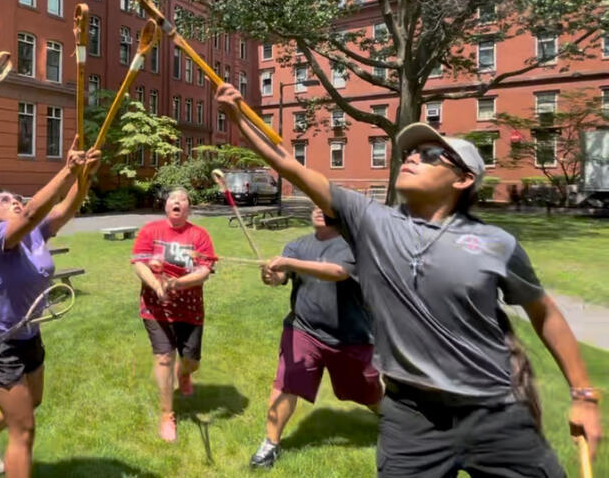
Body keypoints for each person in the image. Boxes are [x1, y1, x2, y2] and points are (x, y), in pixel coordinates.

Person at [216, 84, 601, 477]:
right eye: (410, 152)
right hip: (412, 417)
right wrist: (238, 118)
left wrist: (583, 394)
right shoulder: (373, 223)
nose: (413, 156)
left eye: (430, 154)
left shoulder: (495, 243)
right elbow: (291, 166)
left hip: (494, 409)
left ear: (463, 179)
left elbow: (544, 313)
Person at [0, 138, 100, 477]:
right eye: (5, 201)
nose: (15, 201)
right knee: (24, 430)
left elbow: (65, 209)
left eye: (15, 198)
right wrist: (68, 170)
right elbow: (32, 210)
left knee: (32, 401)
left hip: (28, 333)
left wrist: (85, 177)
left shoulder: (36, 234)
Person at [250, 206, 381, 469]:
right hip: (303, 329)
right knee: (288, 382)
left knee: (367, 392)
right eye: (315, 205)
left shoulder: (354, 244)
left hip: (350, 336)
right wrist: (270, 276)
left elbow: (337, 272)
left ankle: (397, 422)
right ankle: (270, 445)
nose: (319, 210)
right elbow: (280, 277)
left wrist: (289, 263)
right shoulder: (297, 245)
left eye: (328, 206)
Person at [130, 187, 216, 442]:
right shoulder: (150, 231)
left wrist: (177, 284)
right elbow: (139, 263)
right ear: (165, 206)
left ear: (188, 208)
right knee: (164, 358)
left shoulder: (199, 235)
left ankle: (185, 373)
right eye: (172, 199)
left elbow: (204, 270)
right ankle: (167, 415)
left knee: (191, 360)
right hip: (156, 307)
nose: (177, 202)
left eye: (183, 199)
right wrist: (157, 286)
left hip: (189, 308)